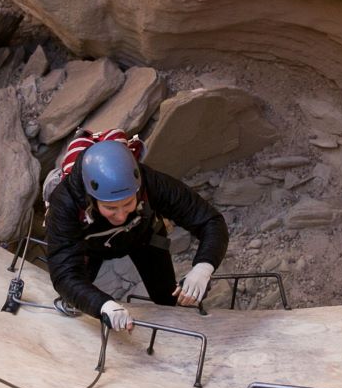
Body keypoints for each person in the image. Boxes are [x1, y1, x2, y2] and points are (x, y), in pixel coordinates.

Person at [45, 138, 228, 331]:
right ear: (91, 196)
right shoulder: (65, 204)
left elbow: (210, 221)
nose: (121, 215)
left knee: (167, 297)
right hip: (91, 249)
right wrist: (103, 305)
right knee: (75, 300)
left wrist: (203, 266)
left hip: (142, 237)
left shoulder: (149, 182)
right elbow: (65, 273)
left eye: (128, 203)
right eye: (111, 207)